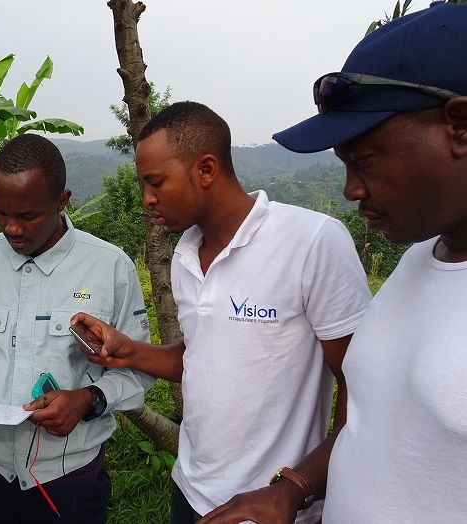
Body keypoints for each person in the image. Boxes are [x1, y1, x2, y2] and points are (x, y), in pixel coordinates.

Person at [193, 3, 467, 523]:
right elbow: (371, 422)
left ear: (459, 127)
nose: (350, 190)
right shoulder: (417, 264)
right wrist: (297, 488)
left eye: (364, 160)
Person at [71, 101, 372, 524]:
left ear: (206, 170)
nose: (146, 199)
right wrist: (130, 352)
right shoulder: (185, 254)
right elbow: (203, 355)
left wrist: (296, 489)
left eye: (156, 182)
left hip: (272, 506)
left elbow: (362, 388)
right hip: (190, 492)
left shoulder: (312, 242)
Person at [0, 133, 152, 524]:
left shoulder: (110, 268)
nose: (12, 229)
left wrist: (89, 400)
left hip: (68, 480)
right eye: (1, 213)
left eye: (28, 216)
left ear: (62, 201)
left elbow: (137, 369)